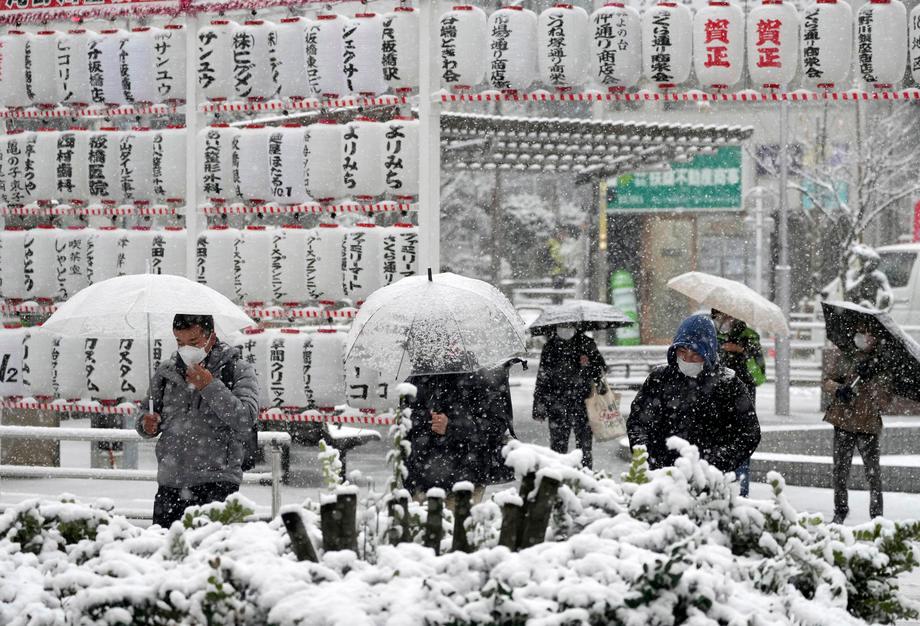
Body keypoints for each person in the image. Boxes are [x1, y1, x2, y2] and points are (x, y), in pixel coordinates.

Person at [136, 314, 261, 528]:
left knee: (210, 554)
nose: (186, 348)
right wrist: (146, 424)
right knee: (165, 552)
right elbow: (146, 414)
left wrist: (209, 386)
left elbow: (246, 417)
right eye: (179, 342)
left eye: (193, 342)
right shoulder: (166, 372)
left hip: (217, 481)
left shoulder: (236, 369)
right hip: (171, 481)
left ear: (211, 338)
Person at [627, 314, 761, 481]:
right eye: (682, 351)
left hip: (710, 482)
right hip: (662, 479)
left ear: (708, 353)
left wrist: (714, 466)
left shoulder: (728, 384)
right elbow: (638, 423)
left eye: (695, 354)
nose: (687, 359)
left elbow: (749, 433)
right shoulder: (659, 379)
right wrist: (650, 459)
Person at [822, 325, 891, 524]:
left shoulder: (883, 364)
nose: (865, 337)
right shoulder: (847, 356)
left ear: (877, 339)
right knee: (840, 470)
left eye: (870, 334)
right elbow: (827, 381)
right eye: (862, 332)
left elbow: (885, 400)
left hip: (868, 424)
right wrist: (840, 389)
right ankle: (840, 510)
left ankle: (877, 515)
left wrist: (872, 380)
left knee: (873, 472)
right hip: (843, 420)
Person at [532, 324, 607, 469]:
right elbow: (542, 378)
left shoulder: (586, 344)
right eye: (562, 326)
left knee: (584, 448)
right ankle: (558, 479)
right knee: (558, 448)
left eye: (568, 325)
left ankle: (585, 478)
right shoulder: (550, 347)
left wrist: (590, 365)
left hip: (583, 403)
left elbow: (600, 368)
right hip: (557, 404)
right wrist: (539, 407)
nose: (565, 329)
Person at [711, 308, 766, 496]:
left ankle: (741, 494)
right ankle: (717, 491)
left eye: (725, 316)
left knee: (741, 448)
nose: (722, 320)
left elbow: (759, 376)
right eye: (718, 316)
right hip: (714, 405)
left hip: (743, 407)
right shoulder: (713, 336)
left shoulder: (750, 338)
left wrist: (742, 352)